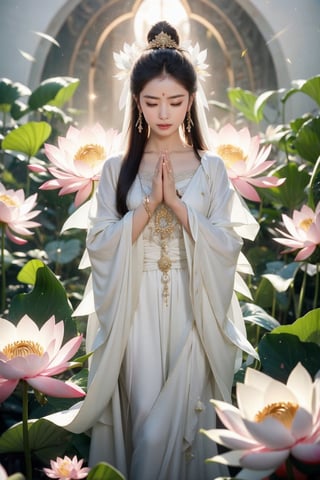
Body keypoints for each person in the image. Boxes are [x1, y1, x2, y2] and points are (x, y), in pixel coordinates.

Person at [59, 20, 259, 480]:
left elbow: (227, 244)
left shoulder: (211, 169)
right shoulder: (115, 169)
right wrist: (149, 206)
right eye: (152, 102)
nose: (163, 112)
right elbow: (100, 244)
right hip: (136, 309)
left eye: (175, 101)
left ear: (191, 101)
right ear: (137, 103)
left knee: (177, 427)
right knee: (145, 427)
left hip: (195, 305)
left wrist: (179, 206)